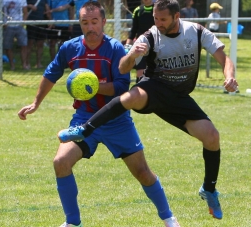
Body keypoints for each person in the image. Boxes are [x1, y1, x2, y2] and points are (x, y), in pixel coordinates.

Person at [58, 0, 240, 220]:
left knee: (212, 137)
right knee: (130, 96)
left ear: (176, 16)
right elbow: (123, 68)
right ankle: (85, 129)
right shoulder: (151, 35)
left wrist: (229, 76)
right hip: (154, 88)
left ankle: (209, 190)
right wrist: (133, 54)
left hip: (179, 98)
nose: (158, 23)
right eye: (155, 18)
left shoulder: (197, 31)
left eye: (162, 19)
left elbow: (224, 58)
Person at [18, 2, 180, 227]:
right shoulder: (70, 48)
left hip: (116, 120)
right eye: (85, 22)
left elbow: (122, 87)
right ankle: (73, 222)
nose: (90, 26)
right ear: (80, 23)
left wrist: (92, 85)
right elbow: (51, 73)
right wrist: (36, 103)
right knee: (61, 162)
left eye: (95, 22)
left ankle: (169, 218)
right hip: (84, 119)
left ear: (104, 22)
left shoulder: (115, 49)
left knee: (142, 172)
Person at [126, 0, 155, 82]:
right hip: (141, 45)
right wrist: (127, 46)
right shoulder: (138, 10)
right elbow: (133, 31)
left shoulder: (157, 9)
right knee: (140, 72)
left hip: (155, 45)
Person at [3, 0, 29, 70]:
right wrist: (3, 23)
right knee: (8, 47)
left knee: (24, 45)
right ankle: (12, 65)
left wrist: (22, 23)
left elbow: (25, 12)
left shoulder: (22, 0)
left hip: (19, 26)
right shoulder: (3, 0)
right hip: (8, 26)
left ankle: (24, 65)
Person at [25, 0, 48, 69]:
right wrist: (29, 6)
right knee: (30, 44)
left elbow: (47, 8)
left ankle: (38, 63)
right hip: (31, 23)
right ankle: (27, 63)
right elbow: (22, 6)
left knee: (40, 44)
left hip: (42, 23)